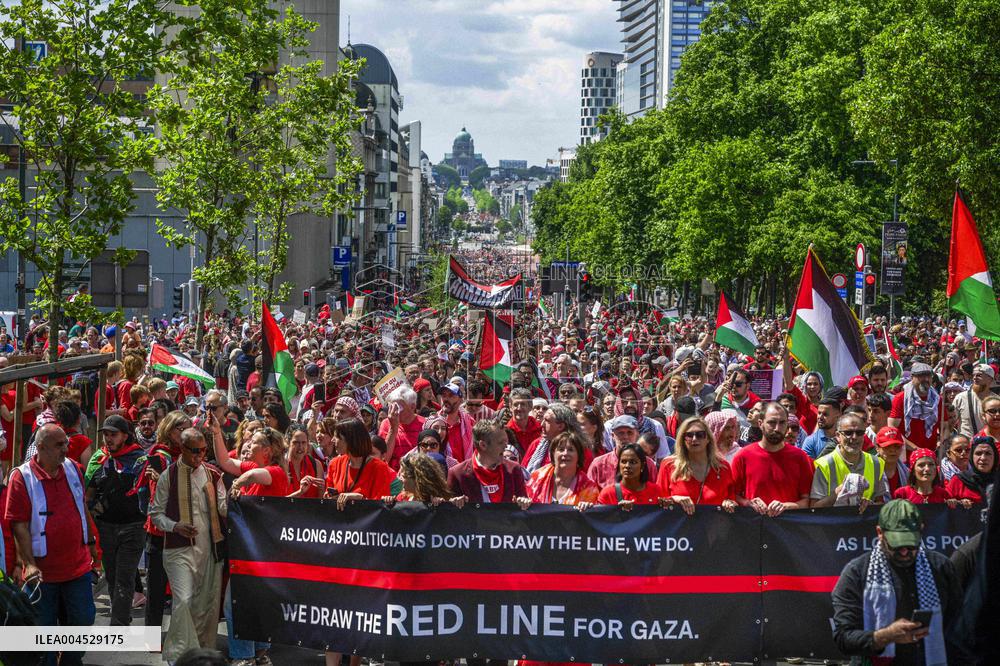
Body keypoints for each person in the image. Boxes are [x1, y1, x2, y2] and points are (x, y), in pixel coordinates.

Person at [4, 424, 99, 666]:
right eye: (59, 445)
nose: (66, 449)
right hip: (42, 576)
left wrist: (90, 544)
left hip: (76, 568)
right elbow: (19, 525)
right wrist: (28, 564)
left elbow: (82, 508)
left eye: (66, 443)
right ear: (42, 447)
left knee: (84, 620)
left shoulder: (73, 469)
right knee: (41, 633)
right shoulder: (21, 477)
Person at [831, 499, 961, 665]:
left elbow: (959, 628)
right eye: (897, 545)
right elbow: (843, 638)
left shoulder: (940, 567)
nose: (905, 551)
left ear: (921, 531)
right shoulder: (857, 573)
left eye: (910, 544)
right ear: (880, 532)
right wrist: (884, 636)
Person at [150, 427, 227, 663]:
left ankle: (201, 655)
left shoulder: (213, 474)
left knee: (205, 606)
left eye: (204, 450)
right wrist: (175, 526)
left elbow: (224, 507)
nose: (200, 455)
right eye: (195, 451)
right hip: (178, 550)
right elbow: (155, 514)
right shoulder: (168, 475)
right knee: (183, 601)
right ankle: (181, 655)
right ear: (182, 449)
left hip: (210, 550)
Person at [83, 415, 146, 626]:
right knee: (111, 576)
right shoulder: (99, 460)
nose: (108, 439)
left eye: (113, 435)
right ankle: (122, 617)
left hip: (134, 527)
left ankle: (118, 627)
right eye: (106, 435)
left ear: (125, 436)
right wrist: (93, 513)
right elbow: (88, 495)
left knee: (124, 578)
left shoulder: (140, 460)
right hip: (106, 528)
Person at [731, 402, 813, 516]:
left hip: (790, 529)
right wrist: (747, 503)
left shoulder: (800, 457)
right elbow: (731, 496)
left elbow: (808, 502)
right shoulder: (743, 456)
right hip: (753, 528)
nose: (777, 428)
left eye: (782, 423)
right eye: (772, 422)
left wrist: (787, 506)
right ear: (760, 423)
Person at [657, 416, 737, 513]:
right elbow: (658, 501)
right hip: (680, 527)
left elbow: (732, 499)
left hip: (715, 527)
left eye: (700, 434)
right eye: (689, 435)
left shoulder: (723, 467)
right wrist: (673, 499)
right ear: (682, 439)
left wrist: (730, 503)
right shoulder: (669, 465)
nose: (694, 439)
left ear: (708, 439)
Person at [810, 413, 887, 509]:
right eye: (848, 433)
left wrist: (869, 505)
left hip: (864, 522)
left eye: (859, 433)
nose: (854, 437)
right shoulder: (824, 465)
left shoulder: (876, 463)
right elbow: (814, 508)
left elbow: (880, 502)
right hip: (834, 522)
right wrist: (838, 492)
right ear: (838, 436)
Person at [448, 419, 527, 504]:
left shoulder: (514, 469)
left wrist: (524, 503)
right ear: (483, 445)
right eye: (501, 443)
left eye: (506, 441)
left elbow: (523, 511)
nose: (506, 446)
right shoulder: (458, 474)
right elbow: (449, 513)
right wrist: (454, 504)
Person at [322, 418, 395, 506]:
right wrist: (329, 498)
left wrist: (359, 498)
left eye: (337, 437)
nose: (333, 440)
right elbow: (327, 497)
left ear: (350, 440)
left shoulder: (379, 468)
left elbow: (379, 507)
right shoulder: (334, 464)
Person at [523, 431, 599, 506]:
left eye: (570, 450)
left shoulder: (588, 488)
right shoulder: (536, 478)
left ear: (578, 455)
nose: (565, 453)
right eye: (561, 449)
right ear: (553, 453)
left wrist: (588, 507)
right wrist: (524, 502)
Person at [588, 415, 658, 488]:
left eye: (630, 433)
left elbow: (654, 492)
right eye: (621, 433)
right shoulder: (598, 464)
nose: (625, 437)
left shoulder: (647, 464)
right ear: (613, 436)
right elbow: (589, 494)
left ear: (637, 435)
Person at [588, 443, 661, 509]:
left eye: (633, 462)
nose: (627, 466)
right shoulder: (608, 493)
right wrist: (617, 512)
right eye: (623, 462)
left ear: (642, 466)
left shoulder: (656, 491)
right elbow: (600, 520)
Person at [888, 363, 941, 451]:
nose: (926, 379)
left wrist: (941, 441)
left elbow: (945, 427)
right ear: (912, 378)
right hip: (906, 454)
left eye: (929, 376)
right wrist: (915, 449)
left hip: (930, 455)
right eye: (921, 376)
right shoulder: (901, 399)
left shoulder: (937, 400)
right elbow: (892, 428)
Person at [380, 386, 426, 470]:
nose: (394, 411)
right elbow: (383, 458)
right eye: (391, 406)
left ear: (412, 407)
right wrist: (393, 429)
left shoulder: (424, 425)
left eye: (398, 407)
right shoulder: (386, 424)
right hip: (394, 479)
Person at [893, 448, 959, 506]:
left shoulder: (943, 494)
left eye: (931, 464)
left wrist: (955, 504)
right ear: (913, 471)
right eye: (921, 465)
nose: (927, 469)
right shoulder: (902, 494)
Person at [945, 435, 996, 503]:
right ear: (972, 457)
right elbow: (944, 503)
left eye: (988, 453)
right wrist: (958, 503)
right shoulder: (958, 480)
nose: (983, 458)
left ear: (995, 456)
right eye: (978, 453)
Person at [951, 364, 996, 437]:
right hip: (967, 445)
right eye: (974, 375)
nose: (975, 378)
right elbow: (950, 422)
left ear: (990, 379)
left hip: (989, 445)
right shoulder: (961, 398)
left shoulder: (996, 401)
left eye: (979, 375)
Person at [875, 426, 910, 497]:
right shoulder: (869, 470)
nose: (892, 450)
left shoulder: (908, 473)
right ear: (877, 448)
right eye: (887, 446)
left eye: (897, 446)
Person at [506, 388, 543, 454]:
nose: (519, 408)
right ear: (510, 407)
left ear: (530, 406)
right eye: (515, 404)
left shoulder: (541, 429)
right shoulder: (505, 432)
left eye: (523, 404)